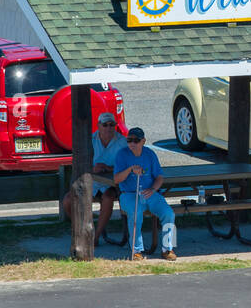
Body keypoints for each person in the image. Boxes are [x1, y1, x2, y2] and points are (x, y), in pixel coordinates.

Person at [60, 111, 125, 243]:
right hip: (92, 182)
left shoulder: (122, 142)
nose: (108, 128)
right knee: (67, 201)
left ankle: (95, 237)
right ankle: (83, 230)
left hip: (113, 183)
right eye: (105, 125)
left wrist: (109, 168)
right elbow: (79, 164)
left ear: (115, 126)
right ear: (98, 126)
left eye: (111, 124)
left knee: (108, 198)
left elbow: (127, 165)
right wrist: (92, 169)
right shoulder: (89, 140)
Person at [113, 126, 176, 260]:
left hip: (149, 193)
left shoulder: (150, 154)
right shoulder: (121, 154)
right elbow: (116, 179)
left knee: (169, 213)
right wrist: (129, 169)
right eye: (129, 140)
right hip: (129, 194)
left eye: (136, 141)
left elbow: (159, 177)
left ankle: (168, 249)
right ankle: (136, 250)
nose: (132, 144)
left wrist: (153, 189)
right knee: (136, 215)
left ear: (143, 141)